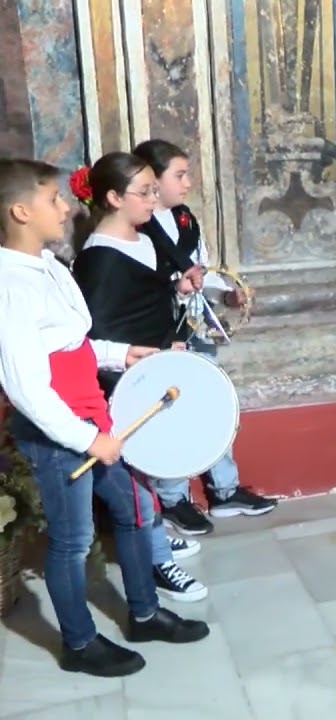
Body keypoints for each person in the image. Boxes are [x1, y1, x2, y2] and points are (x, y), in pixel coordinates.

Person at [0, 158, 208, 677]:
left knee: (137, 509)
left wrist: (122, 355)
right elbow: (25, 386)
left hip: (91, 415)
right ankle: (78, 643)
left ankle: (143, 612)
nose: (66, 206)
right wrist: (86, 440)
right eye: (53, 200)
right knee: (72, 541)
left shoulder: (47, 264)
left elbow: (74, 344)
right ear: (20, 211)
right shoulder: (9, 286)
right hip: (57, 434)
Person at [69, 152, 213, 602]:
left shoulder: (142, 237)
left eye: (156, 189)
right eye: (146, 192)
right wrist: (133, 355)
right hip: (123, 383)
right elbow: (98, 331)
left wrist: (175, 290)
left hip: (155, 369)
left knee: (147, 471)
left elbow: (141, 300)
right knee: (136, 477)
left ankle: (153, 536)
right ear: (113, 197)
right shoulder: (99, 260)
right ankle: (155, 562)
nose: (156, 200)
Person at [131, 139, 277, 536]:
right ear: (152, 180)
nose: (188, 182)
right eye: (179, 175)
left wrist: (226, 293)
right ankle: (174, 498)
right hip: (163, 335)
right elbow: (140, 286)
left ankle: (224, 490)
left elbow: (202, 271)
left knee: (215, 407)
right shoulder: (138, 231)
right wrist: (172, 288)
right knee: (172, 415)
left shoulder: (185, 221)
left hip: (197, 330)